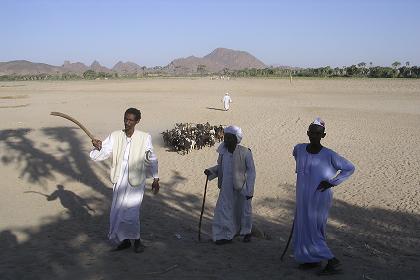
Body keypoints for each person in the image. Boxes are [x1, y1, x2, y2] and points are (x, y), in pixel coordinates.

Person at [90, 107, 159, 253]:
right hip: (119, 178)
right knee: (118, 211)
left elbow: (151, 158)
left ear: (137, 121)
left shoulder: (144, 137)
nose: (127, 122)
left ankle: (137, 241)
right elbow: (105, 151)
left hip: (136, 181)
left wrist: (156, 178)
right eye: (125, 119)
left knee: (132, 213)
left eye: (131, 120)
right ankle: (125, 241)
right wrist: (98, 147)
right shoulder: (115, 135)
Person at [292, 118, 355, 275]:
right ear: (307, 133)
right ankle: (311, 259)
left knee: (314, 230)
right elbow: (296, 158)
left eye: (318, 133)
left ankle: (332, 261)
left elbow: (349, 168)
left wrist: (333, 182)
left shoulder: (330, 155)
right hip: (302, 197)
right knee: (303, 228)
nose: (314, 135)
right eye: (312, 132)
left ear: (323, 135)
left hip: (319, 199)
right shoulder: (299, 149)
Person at [204, 125, 256, 244]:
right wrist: (211, 171)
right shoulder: (223, 153)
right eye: (225, 137)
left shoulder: (245, 152)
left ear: (236, 139)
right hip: (226, 187)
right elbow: (220, 167)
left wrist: (249, 189)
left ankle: (246, 232)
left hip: (242, 186)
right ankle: (224, 235)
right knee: (223, 210)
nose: (226, 140)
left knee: (244, 210)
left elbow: (251, 171)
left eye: (229, 138)